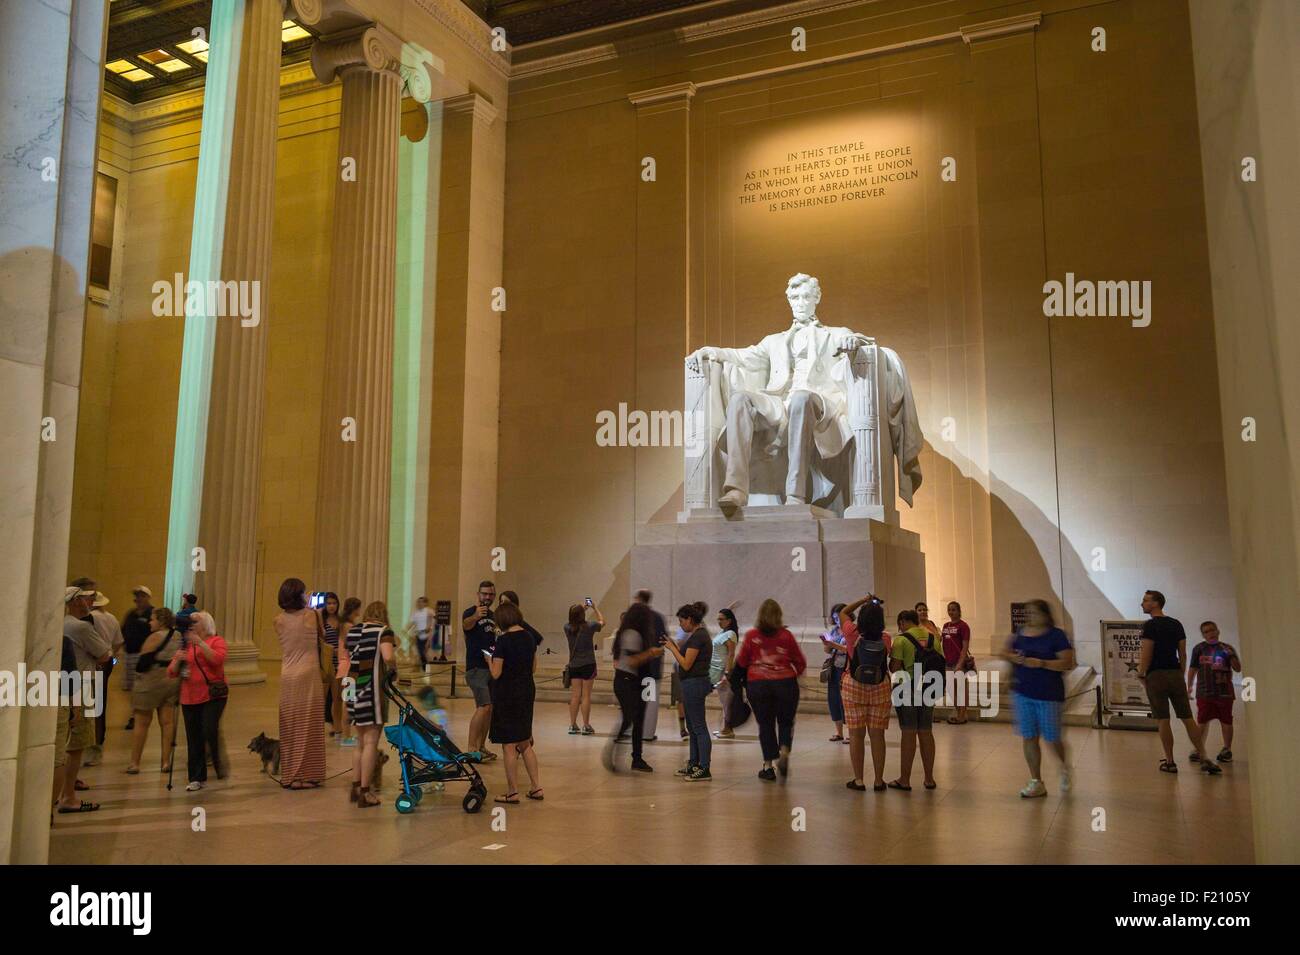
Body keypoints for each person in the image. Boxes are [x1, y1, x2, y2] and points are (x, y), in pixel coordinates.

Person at [1137, 590, 1219, 775]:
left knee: (1163, 720)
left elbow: (1146, 652)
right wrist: (1180, 673)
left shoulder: (1149, 626)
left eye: (1145, 601)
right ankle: (1204, 756)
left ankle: (1170, 761)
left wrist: (1141, 673)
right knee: (1187, 718)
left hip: (1156, 676)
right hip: (1175, 674)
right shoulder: (1176, 624)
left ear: (1156, 603)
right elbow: (1182, 653)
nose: (1142, 604)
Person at [1000, 599, 1074, 798]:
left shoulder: (1056, 635)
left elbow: (1068, 662)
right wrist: (1011, 660)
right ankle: (1036, 780)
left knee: (1052, 737)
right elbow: (1005, 651)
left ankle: (1064, 767)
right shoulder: (1020, 634)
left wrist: (1041, 663)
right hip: (1023, 692)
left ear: (1045, 614)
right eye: (1027, 613)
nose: (1030, 616)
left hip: (1048, 693)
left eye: (1034, 612)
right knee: (1029, 736)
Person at [735, 599, 807, 781]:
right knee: (785, 722)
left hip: (758, 685)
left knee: (765, 724)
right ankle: (783, 751)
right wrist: (793, 676)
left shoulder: (752, 636)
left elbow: (742, 661)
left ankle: (768, 766)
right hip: (785, 684)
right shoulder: (786, 636)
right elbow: (800, 662)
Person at [57, 586, 111, 813]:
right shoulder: (79, 627)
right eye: (84, 598)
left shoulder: (61, 623)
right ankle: (68, 796)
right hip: (81, 687)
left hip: (61, 687)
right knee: (76, 745)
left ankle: (61, 791)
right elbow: (105, 655)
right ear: (75, 602)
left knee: (66, 743)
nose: (88, 602)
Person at [274, 577, 327, 788]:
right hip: (308, 675)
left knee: (290, 726)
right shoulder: (311, 616)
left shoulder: (277, 620)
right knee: (310, 725)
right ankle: (307, 774)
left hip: (287, 676)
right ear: (300, 595)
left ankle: (291, 775)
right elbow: (323, 638)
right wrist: (316, 610)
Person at [488, 601, 544, 802]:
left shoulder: (503, 641)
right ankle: (536, 787)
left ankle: (512, 791)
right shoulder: (529, 638)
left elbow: (496, 673)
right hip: (526, 691)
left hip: (507, 694)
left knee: (509, 745)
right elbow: (533, 668)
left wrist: (489, 659)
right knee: (525, 741)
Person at [167, 610, 228, 791]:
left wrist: (200, 643)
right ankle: (196, 777)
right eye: (190, 621)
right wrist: (179, 660)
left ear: (206, 624)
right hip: (189, 697)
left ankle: (217, 760)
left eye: (195, 621)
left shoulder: (216, 641)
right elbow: (171, 672)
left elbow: (217, 660)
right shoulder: (185, 646)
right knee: (194, 738)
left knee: (208, 729)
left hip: (212, 695)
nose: (191, 624)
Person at [344, 601, 397, 808]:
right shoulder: (384, 631)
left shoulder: (354, 630)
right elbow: (388, 656)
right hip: (371, 689)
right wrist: (394, 668)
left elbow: (350, 657)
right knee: (371, 743)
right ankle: (366, 792)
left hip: (352, 686)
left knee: (359, 741)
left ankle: (356, 787)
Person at [838, 594, 892, 791]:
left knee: (856, 735)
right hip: (880, 688)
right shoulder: (886, 638)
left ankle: (859, 780)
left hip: (854, 687)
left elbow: (843, 612)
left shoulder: (852, 633)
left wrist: (863, 600)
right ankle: (879, 780)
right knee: (878, 736)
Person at [603, 601, 664, 773]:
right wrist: (652, 652)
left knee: (637, 720)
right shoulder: (631, 634)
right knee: (629, 718)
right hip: (627, 681)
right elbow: (632, 660)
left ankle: (637, 758)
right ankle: (613, 750)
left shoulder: (637, 633)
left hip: (638, 681)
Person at [661, 602, 715, 781]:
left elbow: (685, 663)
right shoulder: (696, 635)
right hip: (691, 683)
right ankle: (694, 763)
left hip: (695, 684)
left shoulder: (698, 637)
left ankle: (704, 767)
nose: (680, 625)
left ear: (690, 619)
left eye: (681, 621)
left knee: (699, 727)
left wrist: (672, 648)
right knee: (692, 727)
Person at [126, 606, 181, 774]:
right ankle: (165, 762)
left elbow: (142, 664)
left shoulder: (154, 637)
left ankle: (135, 763)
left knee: (142, 722)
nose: (150, 622)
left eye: (153, 619)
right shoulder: (178, 636)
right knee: (167, 722)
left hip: (151, 682)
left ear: (161, 621)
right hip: (171, 681)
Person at [889, 609, 938, 791]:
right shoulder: (934, 638)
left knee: (908, 732)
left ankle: (905, 779)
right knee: (926, 731)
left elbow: (894, 668)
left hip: (907, 686)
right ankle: (929, 778)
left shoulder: (901, 640)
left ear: (902, 622)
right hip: (929, 686)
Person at [1187, 620, 1241, 765]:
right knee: (1202, 721)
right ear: (1203, 635)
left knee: (1226, 720)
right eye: (1206, 632)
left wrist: (1231, 656)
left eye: (1212, 630)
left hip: (1225, 693)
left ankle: (1227, 749)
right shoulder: (1199, 648)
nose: (1210, 633)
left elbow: (1237, 668)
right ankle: (1198, 749)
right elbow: (1193, 668)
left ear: (1217, 631)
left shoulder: (1227, 648)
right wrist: (1189, 685)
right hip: (1204, 692)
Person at [86, 589, 124, 766]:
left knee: (89, 703)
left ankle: (90, 746)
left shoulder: (90, 618)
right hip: (107, 661)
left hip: (93, 662)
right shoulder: (112, 618)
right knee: (101, 702)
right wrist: (112, 660)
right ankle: (98, 742)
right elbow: (118, 643)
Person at [462, 580, 499, 760]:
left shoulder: (494, 616)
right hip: (476, 668)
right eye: (484, 594)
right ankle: (471, 748)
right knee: (484, 706)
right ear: (478, 594)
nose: (487, 597)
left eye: (491, 594)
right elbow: (466, 625)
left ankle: (481, 747)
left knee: (489, 708)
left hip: (490, 668)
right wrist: (476, 616)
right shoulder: (470, 612)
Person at [632, 589, 669, 740]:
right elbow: (663, 640)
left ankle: (636, 732)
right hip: (653, 666)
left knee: (636, 701)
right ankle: (647, 733)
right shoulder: (658, 618)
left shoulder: (635, 617)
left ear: (639, 599)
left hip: (639, 666)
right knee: (651, 701)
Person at [564, 600, 605, 734]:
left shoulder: (567, 628)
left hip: (574, 665)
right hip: (588, 664)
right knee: (586, 695)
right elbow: (602, 622)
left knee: (575, 695)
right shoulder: (590, 626)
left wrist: (581, 608)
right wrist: (594, 607)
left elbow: (575, 618)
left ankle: (572, 724)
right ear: (583, 614)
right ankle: (586, 725)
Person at [119, 585, 154, 723]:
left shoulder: (152, 613)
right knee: (132, 687)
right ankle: (134, 712)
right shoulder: (131, 614)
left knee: (142, 687)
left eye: (142, 595)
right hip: (129, 655)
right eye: (137, 596)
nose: (138, 598)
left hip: (144, 656)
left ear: (147, 597)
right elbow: (123, 631)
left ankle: (138, 715)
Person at [820, 605, 849, 741]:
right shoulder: (834, 631)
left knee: (847, 700)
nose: (838, 620)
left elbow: (850, 649)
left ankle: (850, 732)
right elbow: (828, 651)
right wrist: (827, 644)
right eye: (835, 618)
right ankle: (839, 732)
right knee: (834, 699)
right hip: (835, 667)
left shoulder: (852, 630)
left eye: (840, 617)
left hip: (847, 668)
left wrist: (833, 645)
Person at [335, 597, 361, 746]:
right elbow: (352, 647)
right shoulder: (348, 626)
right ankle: (346, 736)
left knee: (349, 701)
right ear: (355, 609)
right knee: (349, 702)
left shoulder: (343, 624)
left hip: (344, 667)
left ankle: (347, 735)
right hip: (348, 669)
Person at [318, 592, 345, 738]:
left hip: (338, 663)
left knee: (337, 698)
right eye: (329, 603)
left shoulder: (341, 621)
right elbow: (319, 639)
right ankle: (318, 727)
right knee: (321, 697)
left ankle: (337, 726)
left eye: (334, 603)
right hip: (325, 662)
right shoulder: (321, 620)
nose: (331, 606)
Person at [942, 600, 973, 724]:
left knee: (961, 688)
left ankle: (962, 715)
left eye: (954, 609)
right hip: (948, 662)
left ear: (959, 611)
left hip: (959, 662)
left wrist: (960, 663)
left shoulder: (963, 626)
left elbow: (965, 646)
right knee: (950, 689)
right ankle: (959, 711)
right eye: (949, 609)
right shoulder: (945, 626)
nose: (951, 612)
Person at [711, 609, 738, 739]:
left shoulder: (731, 634)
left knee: (727, 701)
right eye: (718, 619)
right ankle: (726, 728)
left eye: (722, 619)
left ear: (729, 621)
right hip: (716, 669)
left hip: (723, 670)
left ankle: (728, 729)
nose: (719, 621)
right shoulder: (723, 632)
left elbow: (731, 653)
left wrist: (726, 673)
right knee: (724, 700)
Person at [409, 596, 434, 667]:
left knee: (425, 652)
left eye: (421, 602)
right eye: (418, 602)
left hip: (427, 636)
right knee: (420, 652)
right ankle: (424, 668)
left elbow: (430, 625)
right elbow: (412, 623)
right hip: (418, 635)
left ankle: (427, 668)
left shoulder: (429, 611)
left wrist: (428, 633)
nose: (419, 603)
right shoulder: (415, 613)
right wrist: (408, 630)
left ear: (425, 603)